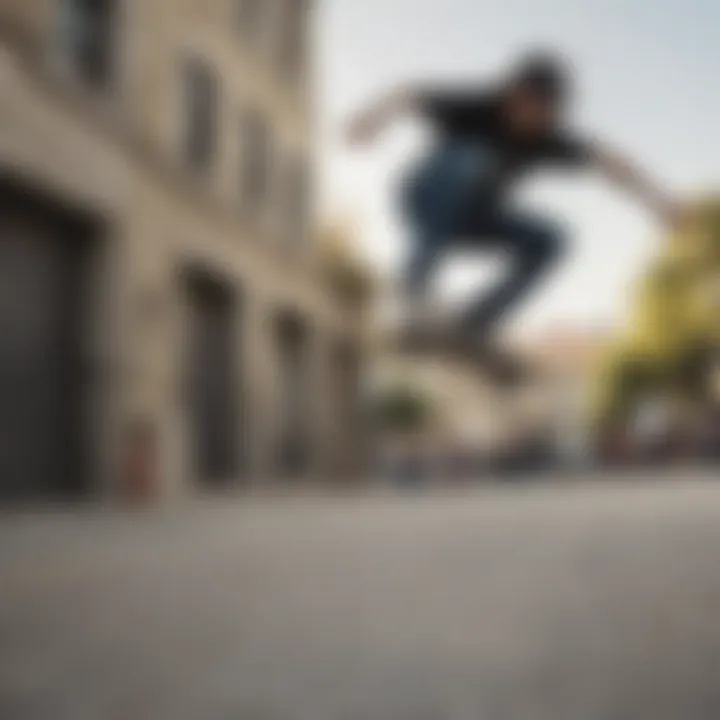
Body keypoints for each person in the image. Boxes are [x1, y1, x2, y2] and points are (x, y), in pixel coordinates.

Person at [346, 51, 681, 380]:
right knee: (471, 158)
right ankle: (412, 297)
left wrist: (660, 204)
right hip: (425, 199)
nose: (532, 120)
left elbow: (609, 162)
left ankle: (474, 325)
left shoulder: (545, 138)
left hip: (474, 221)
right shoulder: (477, 106)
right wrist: (370, 119)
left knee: (553, 239)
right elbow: (411, 92)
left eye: (544, 114)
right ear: (511, 96)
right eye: (527, 107)